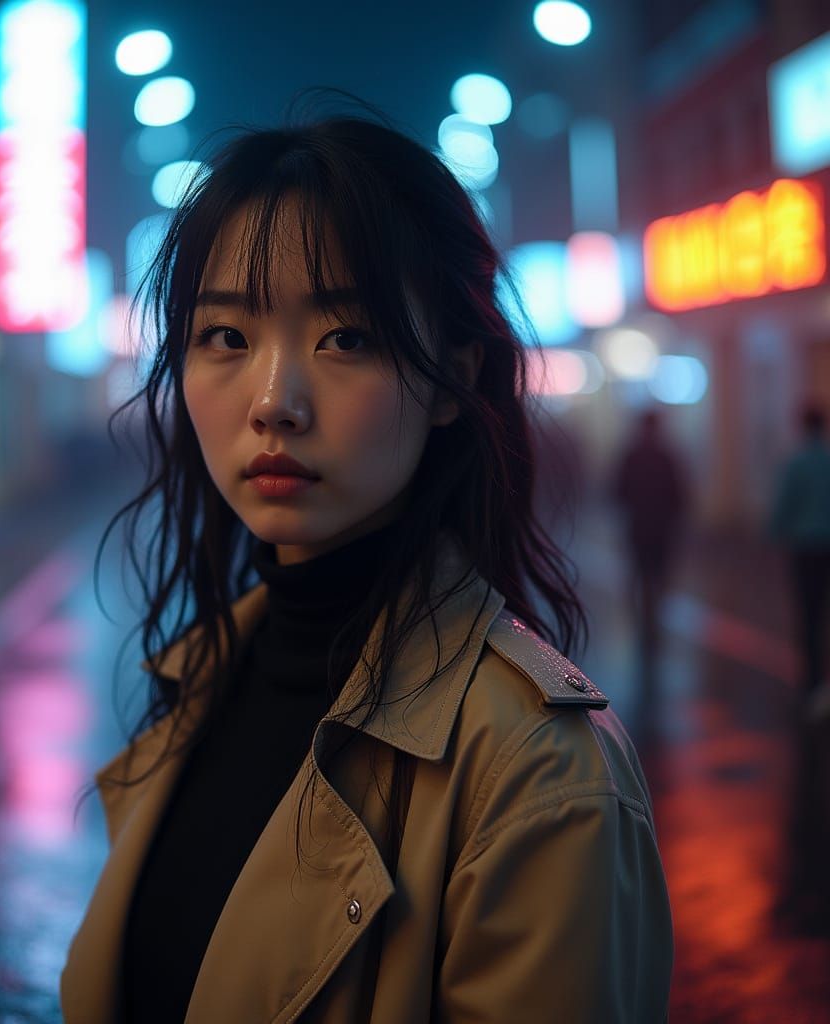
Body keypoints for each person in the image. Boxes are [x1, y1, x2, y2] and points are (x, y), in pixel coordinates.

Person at [61, 109, 674, 1022]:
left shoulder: (541, 776)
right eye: (226, 336)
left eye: (345, 337)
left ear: (453, 381)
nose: (275, 402)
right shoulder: (202, 677)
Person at [609, 408, 690, 659]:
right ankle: (655, 618)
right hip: (662, 527)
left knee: (639, 573)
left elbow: (617, 491)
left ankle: (644, 620)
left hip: (638, 525)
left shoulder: (631, 456)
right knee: (659, 573)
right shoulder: (667, 457)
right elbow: (680, 494)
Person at [768, 399, 830, 717]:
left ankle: (812, 684)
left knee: (809, 616)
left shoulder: (797, 463)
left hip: (805, 548)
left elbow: (783, 508)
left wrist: (775, 537)